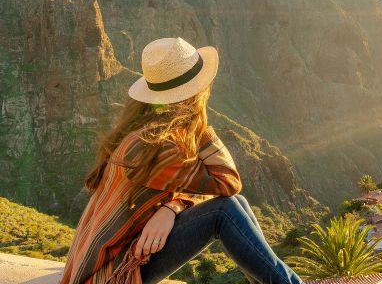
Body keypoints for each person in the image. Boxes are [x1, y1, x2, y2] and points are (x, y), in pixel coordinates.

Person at [59, 37, 303, 284]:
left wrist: (171, 207)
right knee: (225, 210)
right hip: (111, 273)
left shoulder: (146, 130)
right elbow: (229, 181)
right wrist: (201, 123)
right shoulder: (158, 147)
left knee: (236, 204)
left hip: (117, 258)